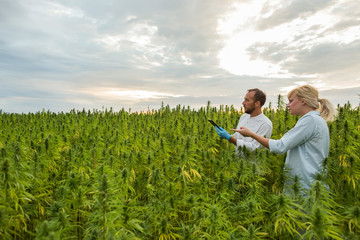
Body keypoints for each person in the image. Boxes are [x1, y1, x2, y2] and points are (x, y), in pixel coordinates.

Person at [231, 85, 336, 191]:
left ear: (303, 101)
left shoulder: (310, 121)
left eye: (291, 101)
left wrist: (251, 134)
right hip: (307, 182)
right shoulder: (316, 120)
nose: (287, 105)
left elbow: (280, 146)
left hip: (305, 184)